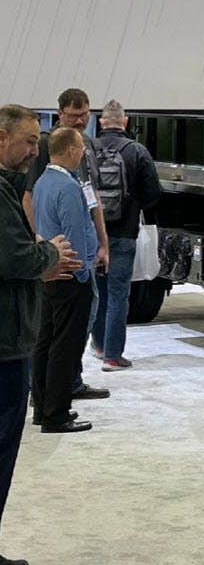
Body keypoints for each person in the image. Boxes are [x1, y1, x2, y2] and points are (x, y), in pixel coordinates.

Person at [0, 104, 80, 565]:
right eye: (29, 141)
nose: (36, 150)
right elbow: (14, 258)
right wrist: (49, 254)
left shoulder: (12, 188)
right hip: (4, 348)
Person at [22, 88, 110, 401]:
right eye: (73, 116)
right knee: (57, 331)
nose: (79, 121)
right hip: (64, 260)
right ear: (60, 114)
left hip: (82, 253)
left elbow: (93, 198)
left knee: (81, 320)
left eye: (84, 115)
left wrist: (103, 243)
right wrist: (43, 247)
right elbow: (30, 198)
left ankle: (69, 380)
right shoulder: (50, 148)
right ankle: (49, 390)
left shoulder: (86, 147)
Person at [31, 127, 99, 434]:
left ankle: (43, 407)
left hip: (50, 273)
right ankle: (56, 414)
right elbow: (74, 233)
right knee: (65, 346)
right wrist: (83, 272)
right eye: (81, 147)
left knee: (46, 341)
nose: (83, 152)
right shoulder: (69, 187)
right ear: (71, 150)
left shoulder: (44, 181)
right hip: (70, 275)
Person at [91, 99, 163, 371]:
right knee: (120, 294)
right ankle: (113, 355)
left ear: (101, 122)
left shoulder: (88, 149)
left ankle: (98, 346)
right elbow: (153, 193)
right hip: (124, 231)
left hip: (96, 234)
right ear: (125, 121)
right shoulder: (136, 151)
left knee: (99, 292)